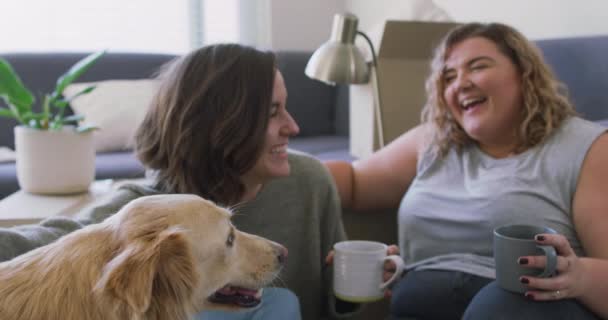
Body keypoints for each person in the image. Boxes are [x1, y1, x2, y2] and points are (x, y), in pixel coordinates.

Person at [0, 44, 352, 320]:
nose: (293, 127)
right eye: (273, 112)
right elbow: (45, 246)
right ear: (224, 124)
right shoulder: (145, 213)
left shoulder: (311, 182)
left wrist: (350, 287)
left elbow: (336, 301)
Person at [325, 22, 608, 320]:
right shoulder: (434, 140)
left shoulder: (586, 147)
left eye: (477, 67)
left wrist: (578, 275)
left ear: (525, 74)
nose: (459, 83)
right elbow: (354, 182)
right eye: (448, 77)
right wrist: (281, 168)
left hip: (527, 306)